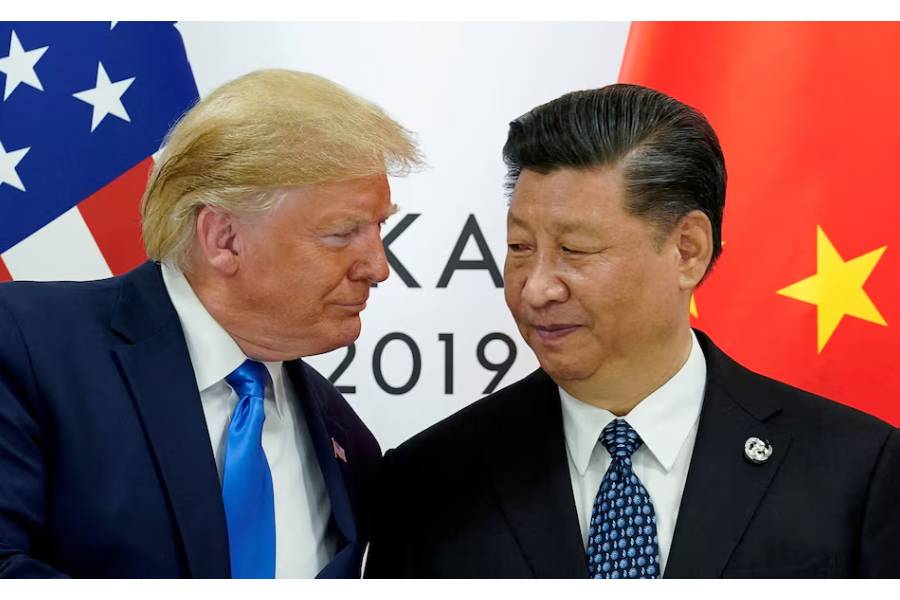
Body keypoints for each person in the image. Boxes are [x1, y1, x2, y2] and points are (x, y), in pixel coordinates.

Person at [365, 84, 900, 578]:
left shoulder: (858, 470)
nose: (536, 289)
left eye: (574, 250)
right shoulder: (428, 482)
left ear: (687, 249)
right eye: (521, 248)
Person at [0, 69, 421, 578]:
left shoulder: (347, 437)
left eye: (378, 229)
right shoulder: (26, 347)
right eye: (341, 234)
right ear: (223, 238)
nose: (378, 267)